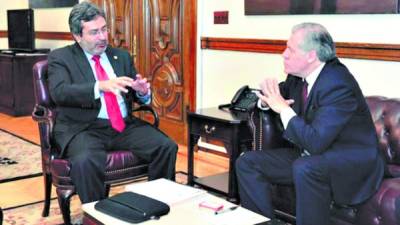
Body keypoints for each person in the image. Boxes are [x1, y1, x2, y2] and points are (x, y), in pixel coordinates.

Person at [235, 22, 384, 225]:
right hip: (313, 153)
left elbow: (315, 142)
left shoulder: (337, 83)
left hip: (349, 161)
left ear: (311, 56)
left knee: (306, 167)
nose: (283, 54)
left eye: (290, 49)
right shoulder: (298, 77)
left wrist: (283, 109)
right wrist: (264, 101)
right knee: (247, 162)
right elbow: (279, 96)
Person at [47, 1, 178, 204]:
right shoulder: (61, 58)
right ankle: (97, 215)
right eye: (94, 32)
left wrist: (143, 92)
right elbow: (60, 92)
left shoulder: (121, 56)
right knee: (85, 161)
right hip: (83, 127)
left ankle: (155, 205)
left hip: (123, 125)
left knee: (166, 146)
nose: (102, 37)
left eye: (104, 29)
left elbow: (135, 94)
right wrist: (100, 86)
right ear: (77, 36)